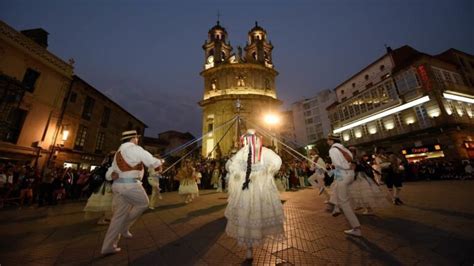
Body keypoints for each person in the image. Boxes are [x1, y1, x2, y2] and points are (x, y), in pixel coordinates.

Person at [225, 129, 285, 260]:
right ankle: (249, 249)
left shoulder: (265, 152)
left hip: (260, 189)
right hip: (245, 190)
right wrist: (235, 172)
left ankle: (255, 242)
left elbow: (276, 161)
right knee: (246, 218)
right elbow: (230, 165)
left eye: (252, 138)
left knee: (258, 217)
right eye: (247, 139)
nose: (249, 141)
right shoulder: (242, 152)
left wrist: (268, 170)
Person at [101, 130, 163, 255]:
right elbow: (151, 161)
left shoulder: (118, 152)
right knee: (143, 203)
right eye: (137, 137)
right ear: (133, 138)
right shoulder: (135, 148)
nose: (138, 139)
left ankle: (108, 246)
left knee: (118, 217)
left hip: (118, 186)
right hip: (130, 185)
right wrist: (160, 162)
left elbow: (110, 172)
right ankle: (125, 226)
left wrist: (110, 176)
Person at [327, 133, 362, 237]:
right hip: (349, 175)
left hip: (343, 174)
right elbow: (350, 160)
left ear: (332, 140)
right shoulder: (344, 148)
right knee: (335, 188)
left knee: (344, 202)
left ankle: (356, 228)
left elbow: (338, 165)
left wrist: (333, 168)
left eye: (328, 140)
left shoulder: (333, 150)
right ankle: (336, 207)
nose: (327, 142)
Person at [84, 152, 115, 225]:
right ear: (111, 157)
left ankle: (106, 218)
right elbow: (106, 176)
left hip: (109, 185)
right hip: (106, 186)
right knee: (104, 203)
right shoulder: (107, 165)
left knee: (108, 203)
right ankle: (102, 219)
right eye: (114, 157)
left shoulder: (110, 165)